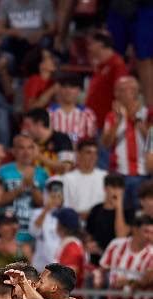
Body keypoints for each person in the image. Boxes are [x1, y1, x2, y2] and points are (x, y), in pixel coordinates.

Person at [99, 214, 153, 299]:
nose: (149, 236)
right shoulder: (116, 246)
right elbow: (102, 269)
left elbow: (148, 279)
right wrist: (100, 280)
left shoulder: (151, 254)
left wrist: (128, 282)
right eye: (146, 231)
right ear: (135, 230)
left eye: (152, 233)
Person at [101, 76, 149, 209]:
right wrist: (117, 122)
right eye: (117, 90)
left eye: (123, 90)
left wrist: (138, 122)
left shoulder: (148, 114)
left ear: (135, 92)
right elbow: (106, 144)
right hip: (119, 175)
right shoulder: (112, 116)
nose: (118, 94)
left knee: (141, 214)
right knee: (119, 212)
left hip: (143, 174)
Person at [0, 134, 47, 243]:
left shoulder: (42, 174)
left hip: (34, 235)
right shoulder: (2, 171)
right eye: (21, 148)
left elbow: (44, 204)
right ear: (13, 151)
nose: (26, 152)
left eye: (30, 148)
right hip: (8, 235)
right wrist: (20, 188)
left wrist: (32, 186)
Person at [85, 30, 128, 130]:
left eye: (91, 44)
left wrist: (115, 120)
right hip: (96, 122)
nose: (89, 48)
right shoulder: (101, 66)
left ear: (100, 44)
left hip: (107, 124)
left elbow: (122, 91)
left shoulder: (117, 64)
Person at [86, 173, 133, 265]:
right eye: (113, 187)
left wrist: (119, 207)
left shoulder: (128, 211)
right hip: (97, 260)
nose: (116, 191)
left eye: (119, 188)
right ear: (105, 188)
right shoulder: (96, 209)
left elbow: (121, 235)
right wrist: (89, 244)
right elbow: (89, 234)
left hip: (118, 261)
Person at [48, 74, 97, 146]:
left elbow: (91, 140)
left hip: (79, 155)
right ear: (59, 89)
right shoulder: (49, 113)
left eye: (72, 87)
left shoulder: (88, 114)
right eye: (64, 87)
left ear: (78, 90)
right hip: (54, 155)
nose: (68, 91)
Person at [62, 139, 106, 218]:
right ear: (78, 155)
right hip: (76, 224)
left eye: (95, 153)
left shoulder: (104, 177)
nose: (93, 157)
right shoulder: (67, 179)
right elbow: (66, 208)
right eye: (88, 153)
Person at [22, 108, 74, 174]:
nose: (25, 130)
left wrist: (38, 156)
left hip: (56, 182)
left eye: (28, 126)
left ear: (39, 124)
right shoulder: (27, 141)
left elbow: (66, 168)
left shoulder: (61, 139)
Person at [29, 177, 63, 271]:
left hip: (60, 264)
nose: (55, 198)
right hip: (41, 264)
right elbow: (34, 231)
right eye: (52, 196)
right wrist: (46, 209)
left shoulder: (66, 213)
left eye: (58, 195)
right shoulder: (37, 212)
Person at [54, 207, 85, 287]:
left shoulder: (72, 247)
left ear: (62, 226)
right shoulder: (68, 243)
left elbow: (68, 278)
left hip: (70, 297)